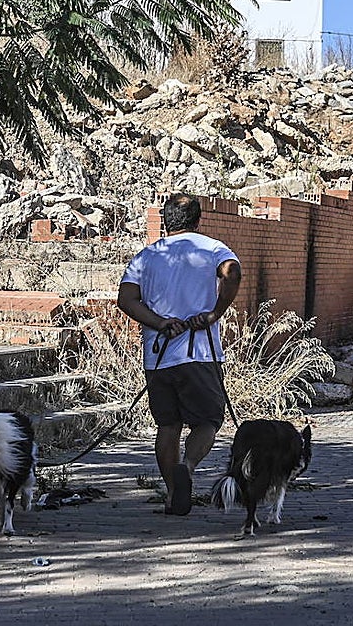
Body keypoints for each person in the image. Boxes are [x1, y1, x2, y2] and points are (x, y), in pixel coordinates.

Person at [116, 192, 242, 515]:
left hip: (159, 357)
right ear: (199, 221)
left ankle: (173, 493)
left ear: (164, 222)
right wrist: (214, 313)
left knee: (167, 425)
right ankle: (188, 464)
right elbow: (232, 272)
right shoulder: (213, 248)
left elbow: (126, 299)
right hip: (201, 353)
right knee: (209, 421)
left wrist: (160, 323)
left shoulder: (146, 256)